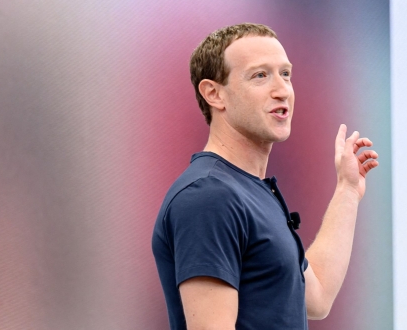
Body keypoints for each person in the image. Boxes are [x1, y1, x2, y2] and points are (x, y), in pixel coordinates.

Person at [152, 23, 379, 330]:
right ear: (214, 94)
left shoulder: (251, 193)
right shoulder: (208, 196)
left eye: (285, 74)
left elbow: (317, 297)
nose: (282, 90)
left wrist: (348, 190)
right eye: (260, 75)